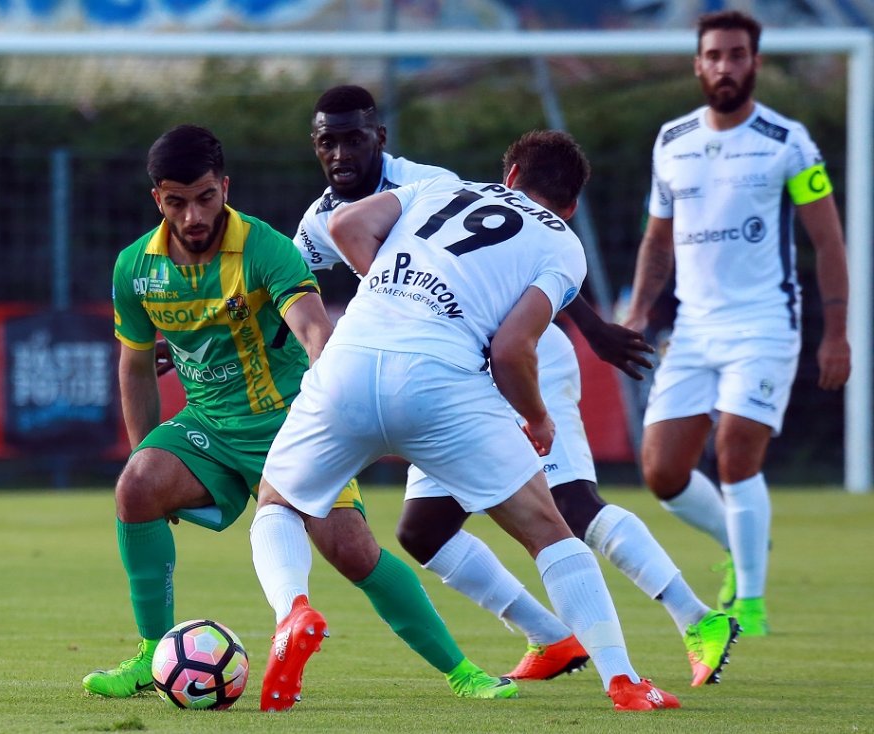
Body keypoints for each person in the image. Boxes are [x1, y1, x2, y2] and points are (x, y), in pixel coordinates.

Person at [295, 84, 737, 687]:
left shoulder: (427, 180)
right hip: (442, 368)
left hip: (522, 358)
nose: (342, 153)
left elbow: (527, 244)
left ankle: (696, 618)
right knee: (422, 530)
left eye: (354, 139)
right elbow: (285, 290)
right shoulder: (317, 220)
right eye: (330, 142)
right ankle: (552, 638)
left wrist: (592, 326)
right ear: (317, 147)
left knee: (570, 505)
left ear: (379, 139)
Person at [85, 124, 517, 707]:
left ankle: (463, 672)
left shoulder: (265, 248)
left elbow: (315, 329)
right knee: (135, 485)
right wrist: (145, 451)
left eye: (206, 197)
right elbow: (135, 367)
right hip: (208, 429)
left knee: (351, 550)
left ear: (225, 188)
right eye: (176, 201)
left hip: (293, 427)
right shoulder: (135, 268)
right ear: (156, 199)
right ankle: (150, 655)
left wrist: (330, 384)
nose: (193, 216)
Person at [623, 10, 851, 637]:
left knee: (735, 458)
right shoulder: (671, 141)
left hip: (764, 325)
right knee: (662, 472)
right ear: (698, 65)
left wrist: (836, 333)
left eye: (737, 55)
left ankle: (749, 603)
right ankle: (743, 541)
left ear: (755, 62)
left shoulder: (787, 141)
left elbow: (829, 244)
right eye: (714, 56)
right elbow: (656, 242)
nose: (725, 66)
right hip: (692, 331)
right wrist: (639, 310)